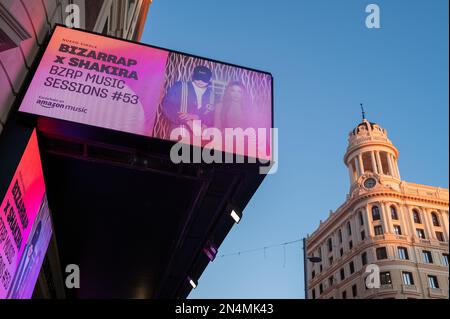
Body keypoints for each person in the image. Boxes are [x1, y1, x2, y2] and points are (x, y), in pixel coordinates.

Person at [161, 66, 215, 135]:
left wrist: (198, 117)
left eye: (204, 79)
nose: (200, 81)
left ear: (210, 79)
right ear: (193, 75)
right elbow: (167, 108)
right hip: (179, 133)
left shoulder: (212, 94)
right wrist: (188, 122)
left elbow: (212, 115)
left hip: (201, 136)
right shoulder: (179, 86)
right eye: (198, 78)